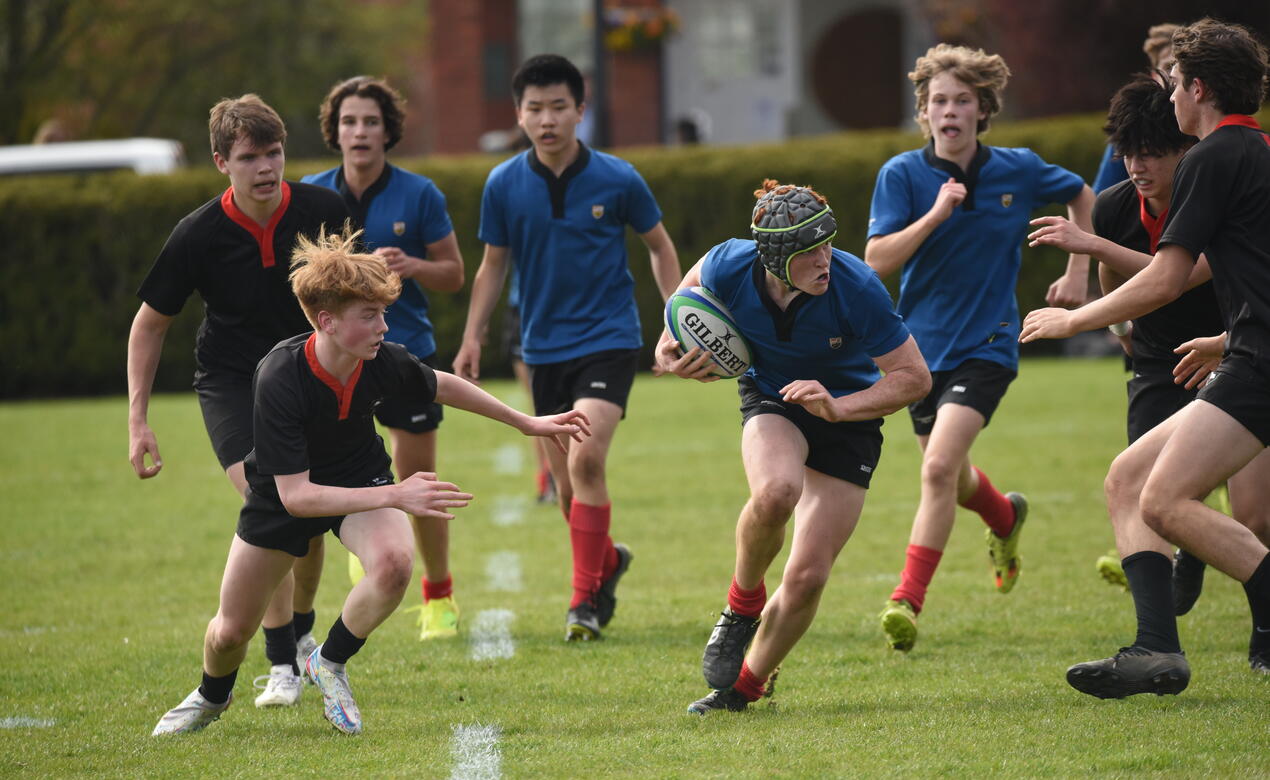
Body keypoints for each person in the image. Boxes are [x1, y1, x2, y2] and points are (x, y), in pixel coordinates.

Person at [151, 228, 591, 736]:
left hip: (359, 473)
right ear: (327, 321)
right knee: (229, 634)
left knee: (394, 564)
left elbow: (439, 383)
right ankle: (211, 696)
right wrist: (398, 494)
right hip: (283, 494)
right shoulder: (280, 376)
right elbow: (298, 498)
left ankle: (328, 663)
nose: (384, 326)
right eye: (370, 316)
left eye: (383, 313)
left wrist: (527, 422)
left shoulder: (379, 360)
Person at [1021, 18, 1270, 690]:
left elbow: (1165, 278)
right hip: (1244, 351)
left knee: (1163, 501)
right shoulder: (1260, 152)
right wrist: (1225, 336)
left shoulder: (1214, 158)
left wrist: (1075, 324)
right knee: (1129, 479)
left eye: (1175, 85)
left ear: (1199, 88)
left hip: (1258, 364)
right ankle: (1156, 649)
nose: (1172, 100)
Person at [659, 180, 929, 714]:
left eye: (828, 244)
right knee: (778, 490)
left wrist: (840, 406)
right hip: (773, 396)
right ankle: (742, 607)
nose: (826, 260)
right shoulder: (728, 264)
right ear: (776, 258)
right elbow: (682, 302)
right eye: (810, 253)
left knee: (808, 577)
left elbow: (914, 378)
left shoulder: (857, 287)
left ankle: (743, 688)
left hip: (849, 418)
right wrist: (669, 351)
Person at [864, 44, 1095, 652]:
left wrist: (1079, 269)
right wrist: (936, 215)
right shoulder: (902, 176)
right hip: (916, 353)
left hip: (989, 343)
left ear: (983, 109)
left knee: (937, 468)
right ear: (924, 111)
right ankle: (1004, 515)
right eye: (939, 100)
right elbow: (877, 260)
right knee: (953, 476)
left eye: (962, 100)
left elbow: (1081, 193)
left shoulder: (1018, 168)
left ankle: (906, 600)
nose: (950, 111)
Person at [128, 94, 349, 708]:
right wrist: (138, 420)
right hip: (231, 383)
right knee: (271, 501)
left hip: (309, 378)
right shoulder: (197, 233)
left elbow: (357, 297)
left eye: (273, 153)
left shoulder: (324, 210)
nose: (265, 167)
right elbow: (149, 324)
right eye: (249, 156)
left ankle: (299, 629)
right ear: (222, 161)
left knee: (304, 527)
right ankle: (282, 663)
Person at [453, 53, 681, 641]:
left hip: (609, 337)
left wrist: (677, 317)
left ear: (581, 110)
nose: (547, 118)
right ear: (519, 115)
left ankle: (582, 601)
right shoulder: (503, 184)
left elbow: (658, 247)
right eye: (535, 108)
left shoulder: (619, 178)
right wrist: (473, 335)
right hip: (543, 347)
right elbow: (492, 267)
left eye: (559, 106)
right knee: (564, 486)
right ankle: (606, 563)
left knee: (586, 459)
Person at [302, 76, 467, 642]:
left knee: (419, 477)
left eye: (371, 121)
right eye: (350, 121)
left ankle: (439, 594)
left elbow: (455, 274)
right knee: (338, 469)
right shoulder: (312, 195)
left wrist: (414, 266)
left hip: (404, 351)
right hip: (329, 364)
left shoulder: (420, 194)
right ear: (335, 131)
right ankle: (368, 543)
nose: (360, 131)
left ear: (388, 130)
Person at [1092, 24, 1180, 194]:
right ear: (1154, 75)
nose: (1175, 74)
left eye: (1182, 66)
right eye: (1169, 66)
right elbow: (1101, 196)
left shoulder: (1206, 123)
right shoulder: (1132, 126)